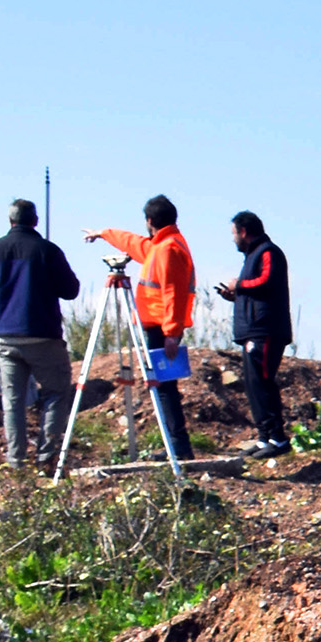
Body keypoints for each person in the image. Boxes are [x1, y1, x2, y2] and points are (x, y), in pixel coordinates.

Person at [0, 198, 82, 470]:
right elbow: (71, 290)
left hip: (4, 337)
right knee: (55, 393)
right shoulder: (47, 251)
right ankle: (47, 458)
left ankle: (16, 461)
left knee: (13, 400)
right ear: (35, 221)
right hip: (43, 335)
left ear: (10, 221)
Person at [89, 195, 198, 464]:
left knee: (164, 387)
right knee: (163, 386)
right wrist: (104, 234)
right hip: (158, 327)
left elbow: (173, 292)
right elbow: (135, 244)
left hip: (162, 329)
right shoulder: (163, 245)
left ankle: (177, 446)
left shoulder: (167, 249)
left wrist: (173, 333)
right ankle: (175, 444)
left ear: (150, 221)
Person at [213, 211, 293, 458]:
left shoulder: (269, 252)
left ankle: (278, 440)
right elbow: (255, 289)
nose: (233, 239)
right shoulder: (251, 256)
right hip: (253, 330)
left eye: (234, 233)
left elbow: (268, 281)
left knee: (263, 382)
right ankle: (263, 438)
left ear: (244, 232)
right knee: (253, 385)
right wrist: (234, 295)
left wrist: (241, 285)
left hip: (266, 330)